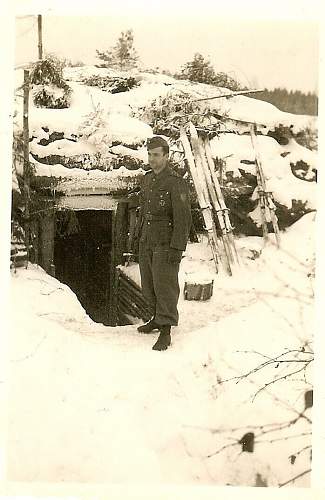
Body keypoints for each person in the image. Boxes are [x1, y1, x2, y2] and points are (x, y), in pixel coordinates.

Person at [136, 136, 192, 351]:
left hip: (165, 244)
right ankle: (157, 319)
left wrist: (177, 248)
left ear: (167, 156)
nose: (152, 159)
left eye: (156, 155)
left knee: (165, 286)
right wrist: (138, 239)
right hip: (147, 241)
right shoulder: (147, 180)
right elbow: (143, 213)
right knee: (149, 286)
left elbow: (183, 218)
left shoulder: (176, 183)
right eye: (149, 154)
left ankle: (166, 331)